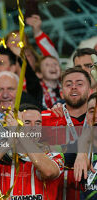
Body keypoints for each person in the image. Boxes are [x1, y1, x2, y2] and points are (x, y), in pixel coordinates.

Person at [0, 103, 64, 200]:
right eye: (27, 122)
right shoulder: (2, 155)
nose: (33, 127)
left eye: (38, 123)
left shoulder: (52, 152)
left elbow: (49, 172)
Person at [41, 67, 92, 200]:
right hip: (55, 193)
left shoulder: (95, 119)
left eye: (80, 84)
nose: (74, 87)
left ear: (90, 90)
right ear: (62, 93)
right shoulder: (44, 119)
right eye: (68, 84)